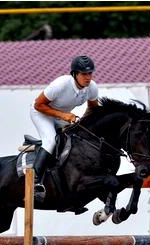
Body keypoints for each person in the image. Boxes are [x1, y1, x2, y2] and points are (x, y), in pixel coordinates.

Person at [30, 55, 99, 201]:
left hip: (61, 117)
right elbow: (38, 104)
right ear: (74, 74)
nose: (88, 77)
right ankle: (34, 182)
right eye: (83, 74)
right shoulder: (61, 84)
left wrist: (83, 123)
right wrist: (63, 115)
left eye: (90, 73)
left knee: (77, 141)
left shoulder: (91, 87)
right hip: (42, 113)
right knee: (50, 142)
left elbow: (94, 109)